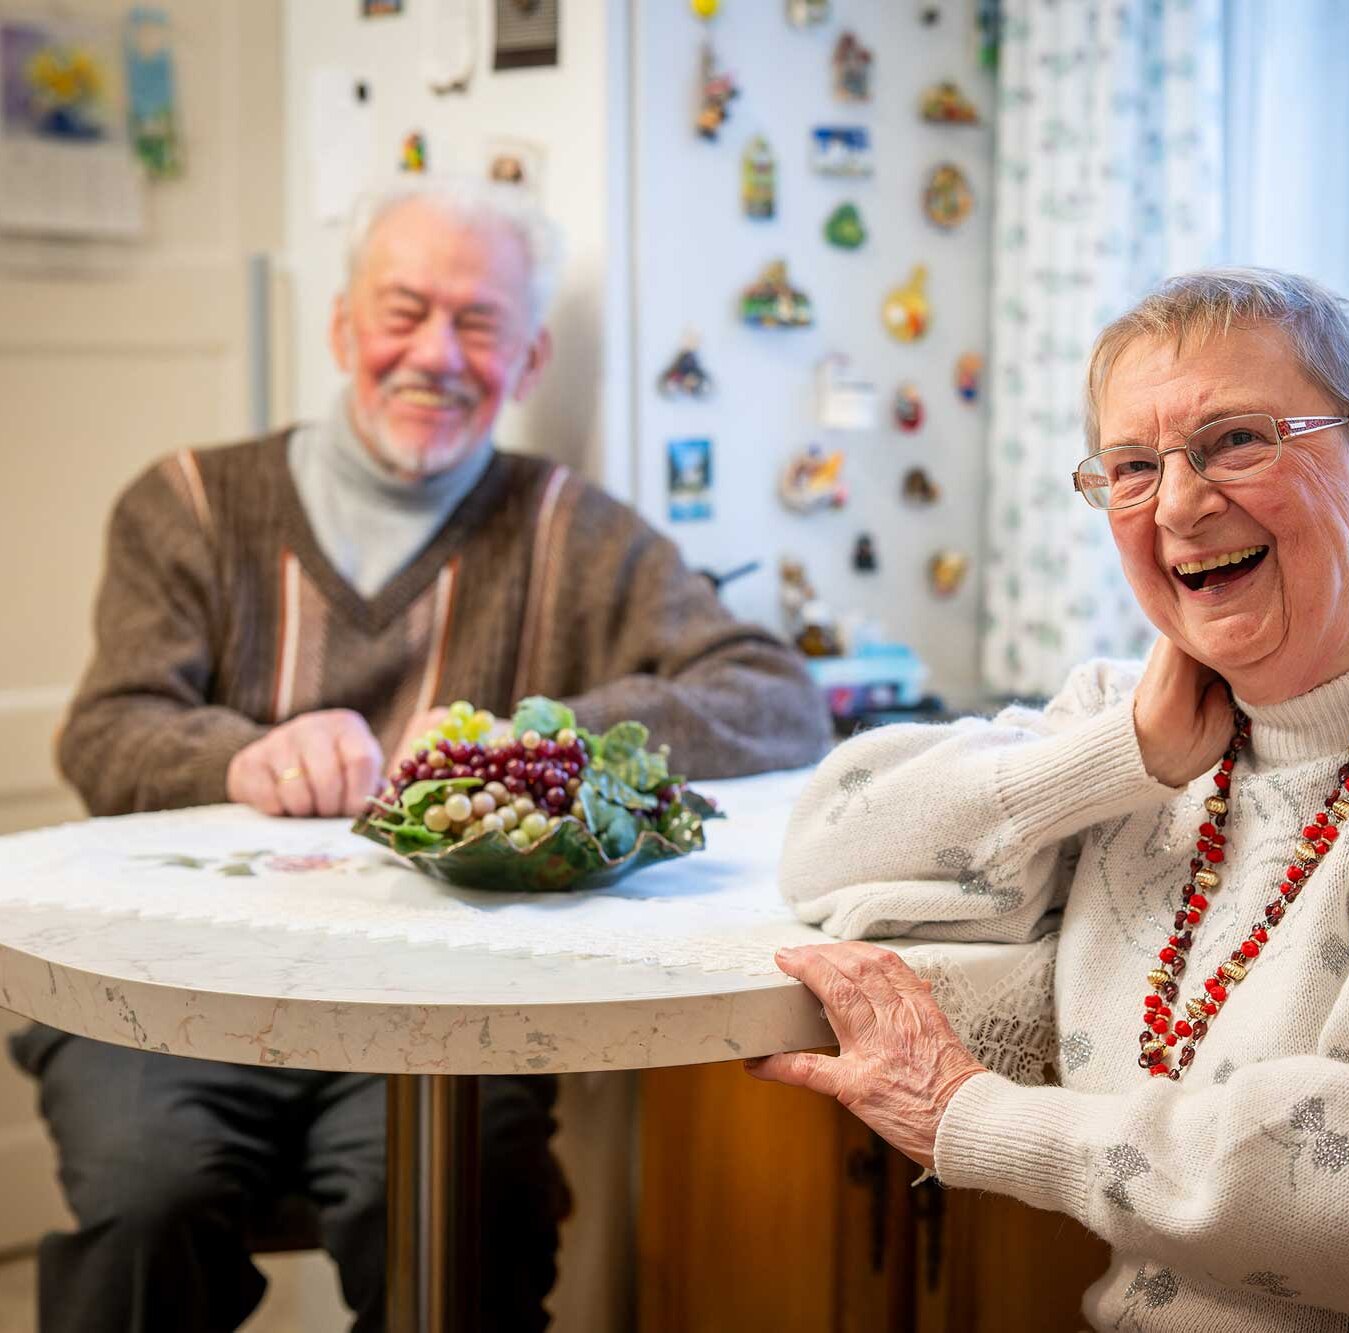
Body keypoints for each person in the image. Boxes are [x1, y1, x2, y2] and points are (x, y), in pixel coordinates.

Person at [750, 269, 1349, 1330]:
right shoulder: (1143, 723)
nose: (1183, 504)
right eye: (1133, 466)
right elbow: (826, 840)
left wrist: (973, 1117)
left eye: (1236, 440)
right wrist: (1122, 753)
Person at [16, 176, 829, 1333]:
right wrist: (243, 757)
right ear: (344, 326)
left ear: (532, 356)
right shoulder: (189, 503)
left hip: (444, 1003)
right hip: (178, 980)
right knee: (153, 1204)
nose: (435, 354)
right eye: (402, 312)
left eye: (480, 322)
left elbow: (775, 696)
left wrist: (527, 752)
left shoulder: (570, 529)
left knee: (467, 1215)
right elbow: (103, 730)